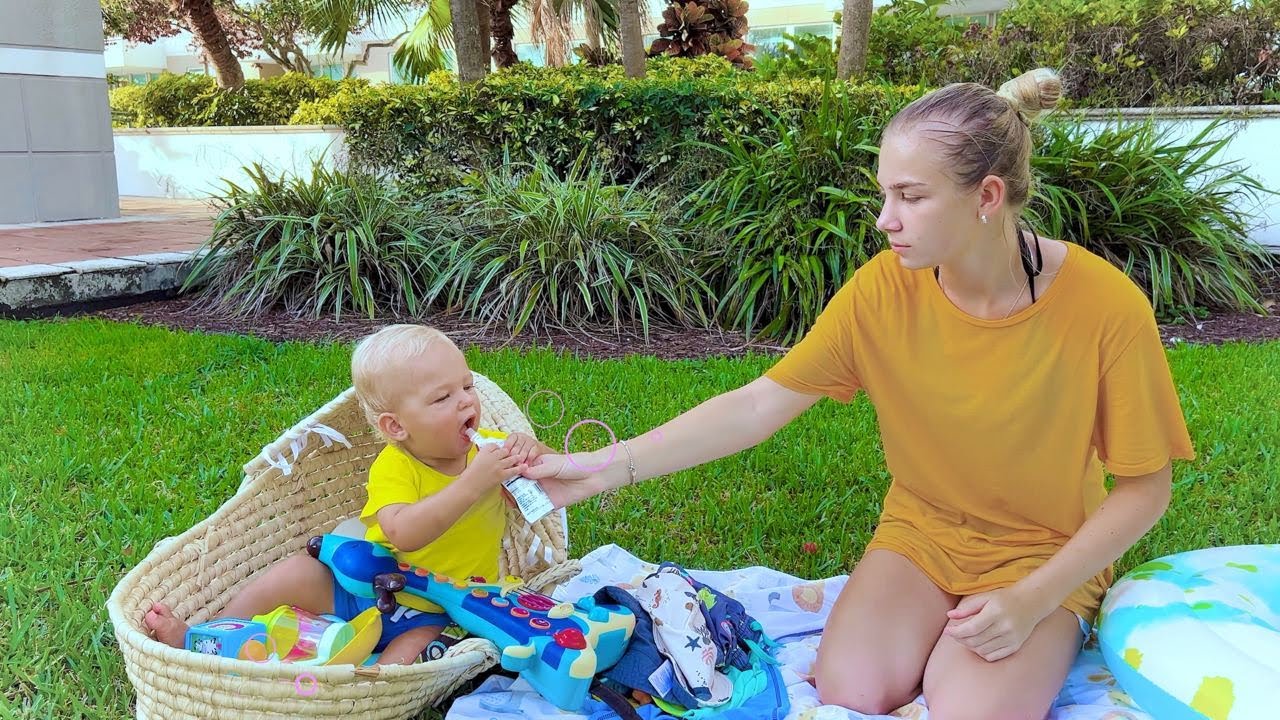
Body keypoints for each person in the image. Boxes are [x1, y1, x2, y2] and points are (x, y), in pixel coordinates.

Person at [526, 68, 1195, 718]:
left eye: (910, 196)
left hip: (1045, 554)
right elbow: (760, 404)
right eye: (884, 194)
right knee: (852, 690)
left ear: (987, 197)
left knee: (972, 710)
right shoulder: (883, 288)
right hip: (921, 533)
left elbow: (1145, 488)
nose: (884, 220)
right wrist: (596, 473)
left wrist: (1031, 600)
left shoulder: (1105, 306)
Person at [144, 324, 549, 664]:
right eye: (443, 397)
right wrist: (474, 482)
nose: (465, 400)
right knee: (294, 573)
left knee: (405, 669)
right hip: (362, 588)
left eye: (466, 385)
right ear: (396, 427)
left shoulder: (489, 452)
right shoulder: (395, 466)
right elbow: (405, 533)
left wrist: (535, 453)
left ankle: (356, 689)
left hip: (436, 610)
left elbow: (549, 476)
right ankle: (202, 638)